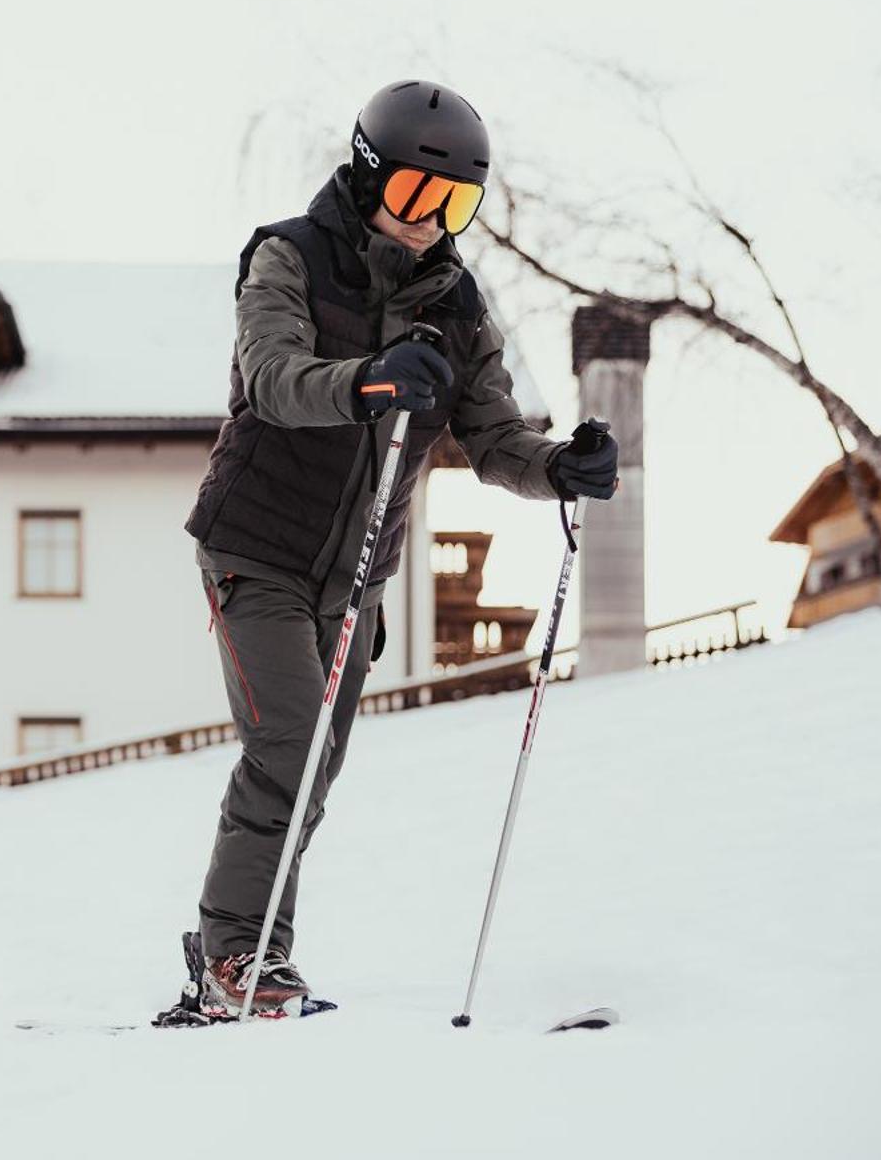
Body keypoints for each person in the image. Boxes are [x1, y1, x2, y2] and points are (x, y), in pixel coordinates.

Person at [181, 79, 620, 1016]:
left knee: (315, 768)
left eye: (455, 203)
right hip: (254, 546)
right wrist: (371, 381)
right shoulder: (289, 258)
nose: (432, 221)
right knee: (289, 744)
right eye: (418, 194)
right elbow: (273, 379)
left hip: (355, 577)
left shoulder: (456, 307)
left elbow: (497, 440)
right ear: (370, 172)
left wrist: (560, 467)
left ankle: (261, 948)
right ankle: (231, 955)